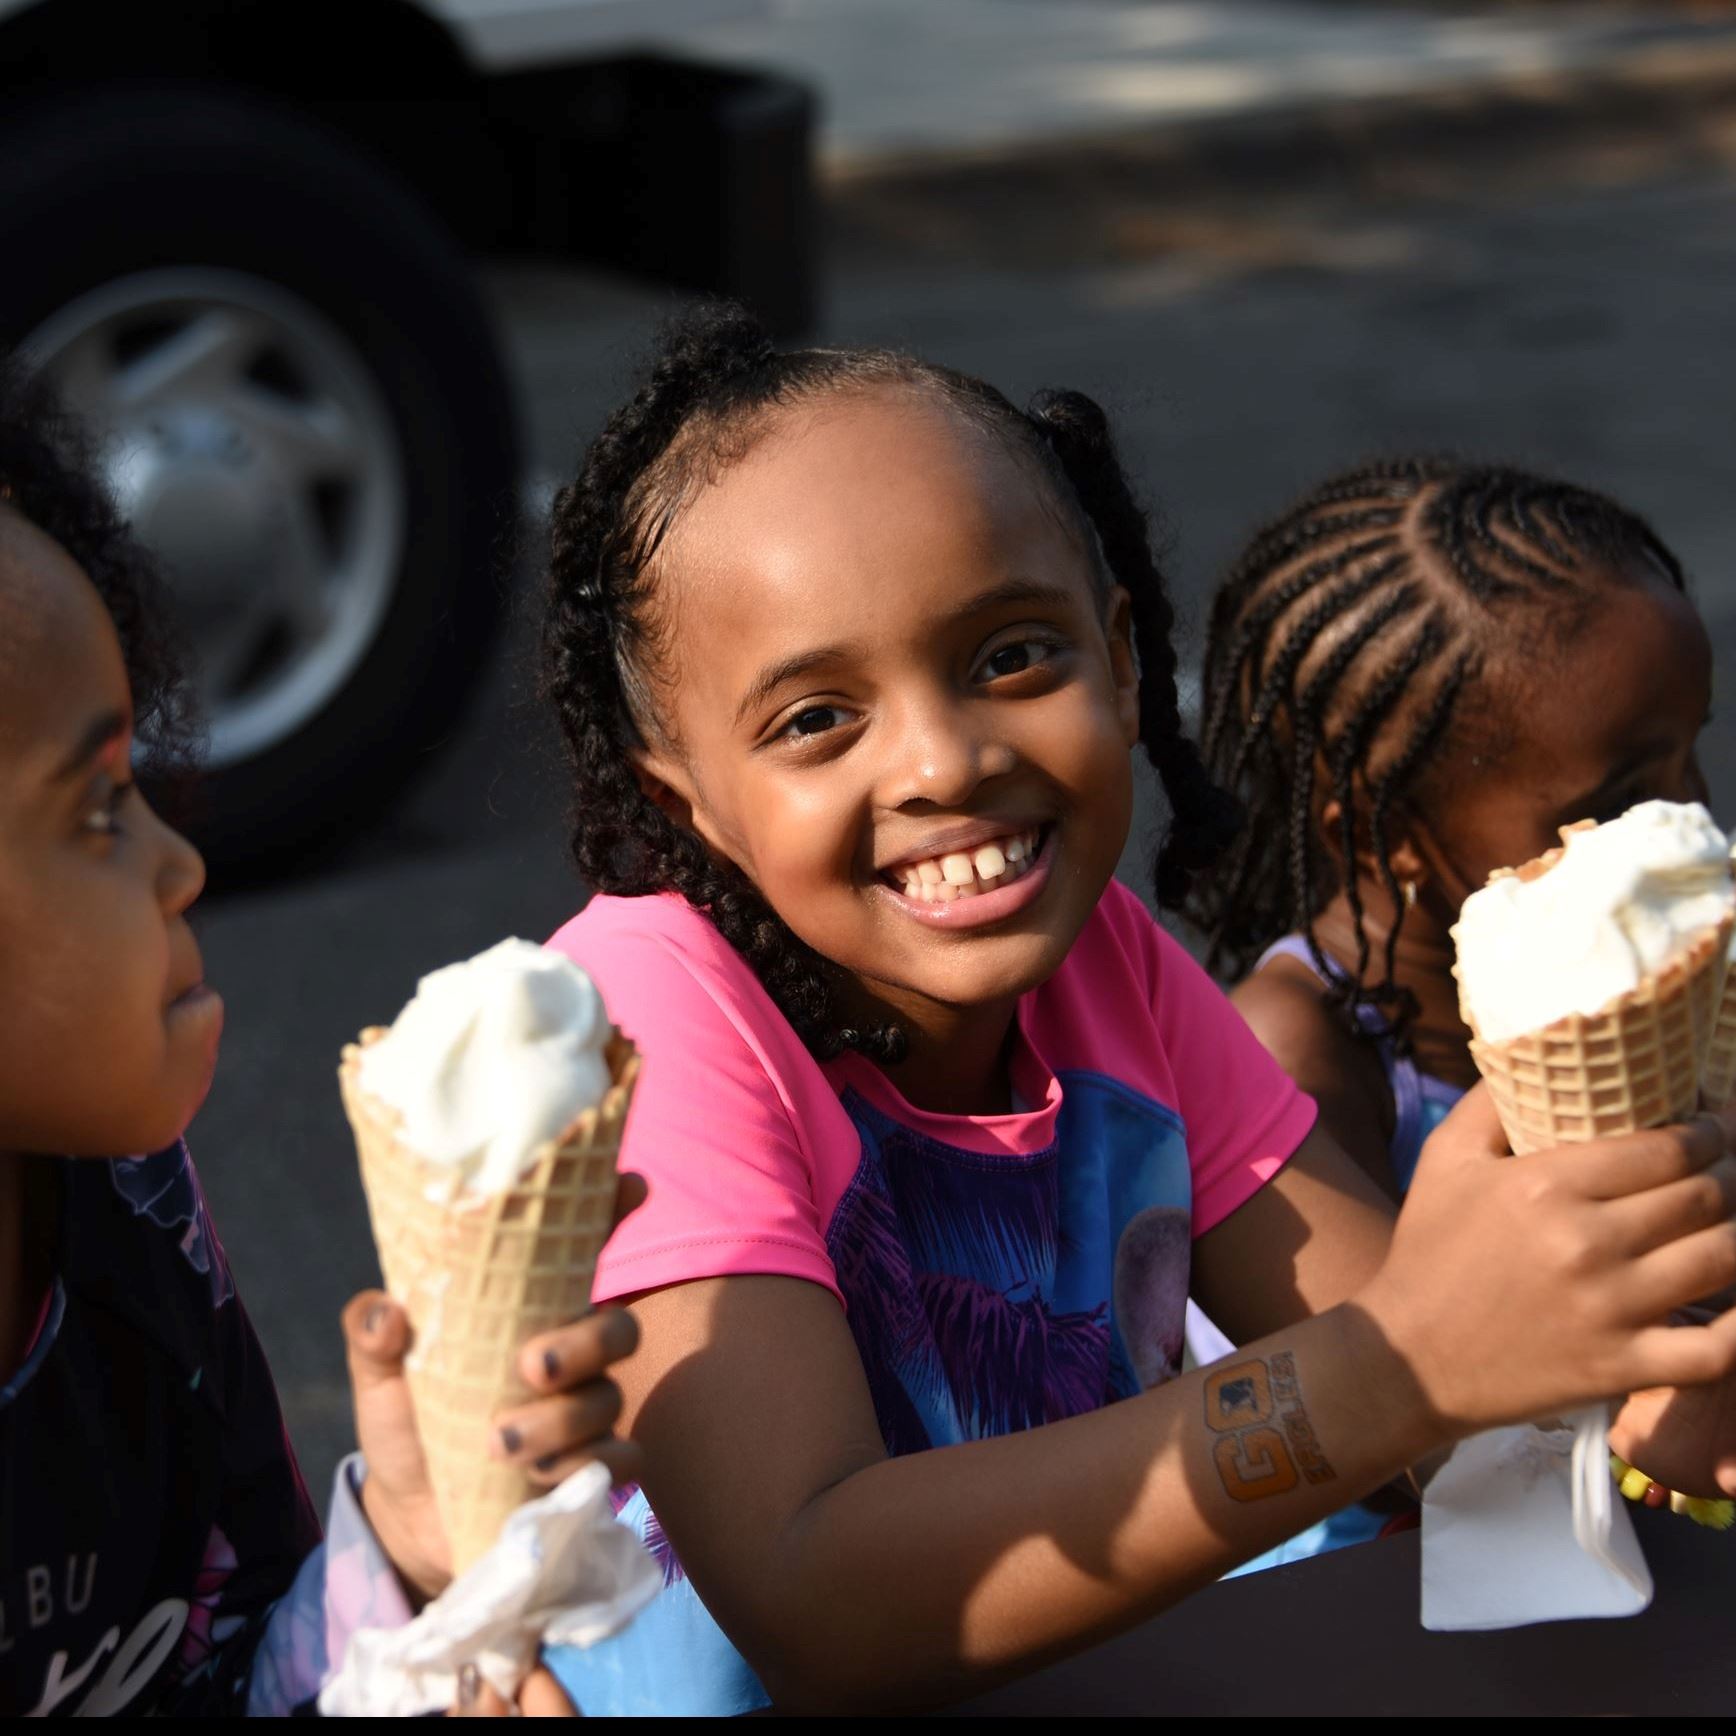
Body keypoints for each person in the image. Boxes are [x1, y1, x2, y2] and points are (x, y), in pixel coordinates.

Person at [531, 307, 1736, 1716]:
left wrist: (1624, 1357)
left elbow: (1416, 1347)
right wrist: (1404, 1369)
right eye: (815, 720)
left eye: (1010, 657)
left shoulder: (1104, 952)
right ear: (688, 800)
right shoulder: (648, 1011)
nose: (944, 761)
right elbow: (811, 1593)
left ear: (1115, 654)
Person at [0, 360, 638, 1716]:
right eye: (98, 810)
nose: (180, 866)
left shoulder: (123, 1202)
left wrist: (407, 1556)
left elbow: (234, 1676)